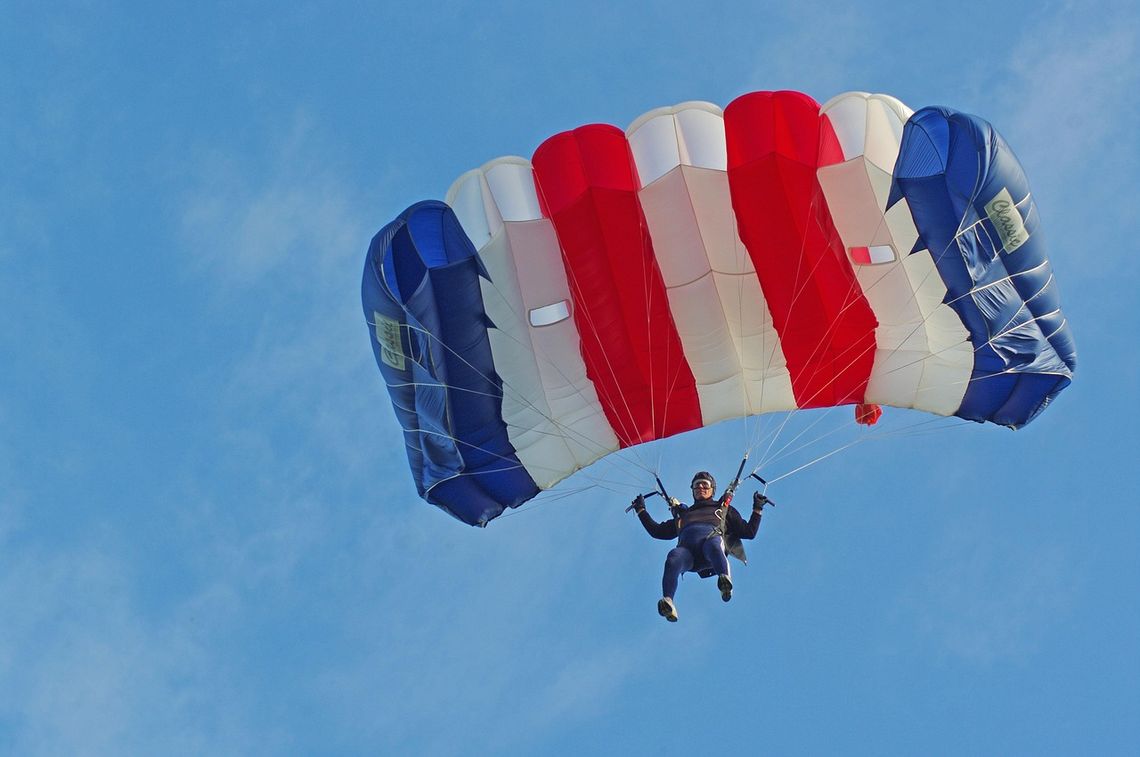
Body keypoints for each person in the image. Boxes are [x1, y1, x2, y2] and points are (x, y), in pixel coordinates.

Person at [630, 470, 769, 622]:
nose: (701, 487)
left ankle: (725, 581)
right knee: (673, 557)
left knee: (713, 543)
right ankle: (668, 601)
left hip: (711, 548)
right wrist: (641, 510)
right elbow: (656, 531)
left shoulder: (722, 509)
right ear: (692, 490)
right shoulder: (683, 515)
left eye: (705, 484)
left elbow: (749, 532)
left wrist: (757, 509)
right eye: (697, 485)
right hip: (688, 555)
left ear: (712, 489)